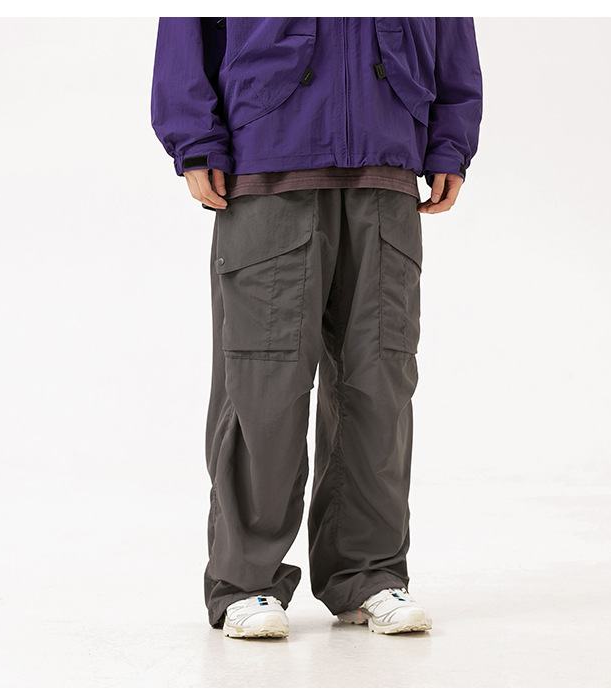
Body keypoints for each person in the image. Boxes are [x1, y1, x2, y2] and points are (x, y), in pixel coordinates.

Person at [151, 17, 482, 638]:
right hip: (267, 163)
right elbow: (186, 27)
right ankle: (245, 581)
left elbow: (452, 30)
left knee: (379, 381)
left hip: (387, 162)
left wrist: (451, 142)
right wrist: (195, 139)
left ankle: (368, 576)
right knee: (263, 384)